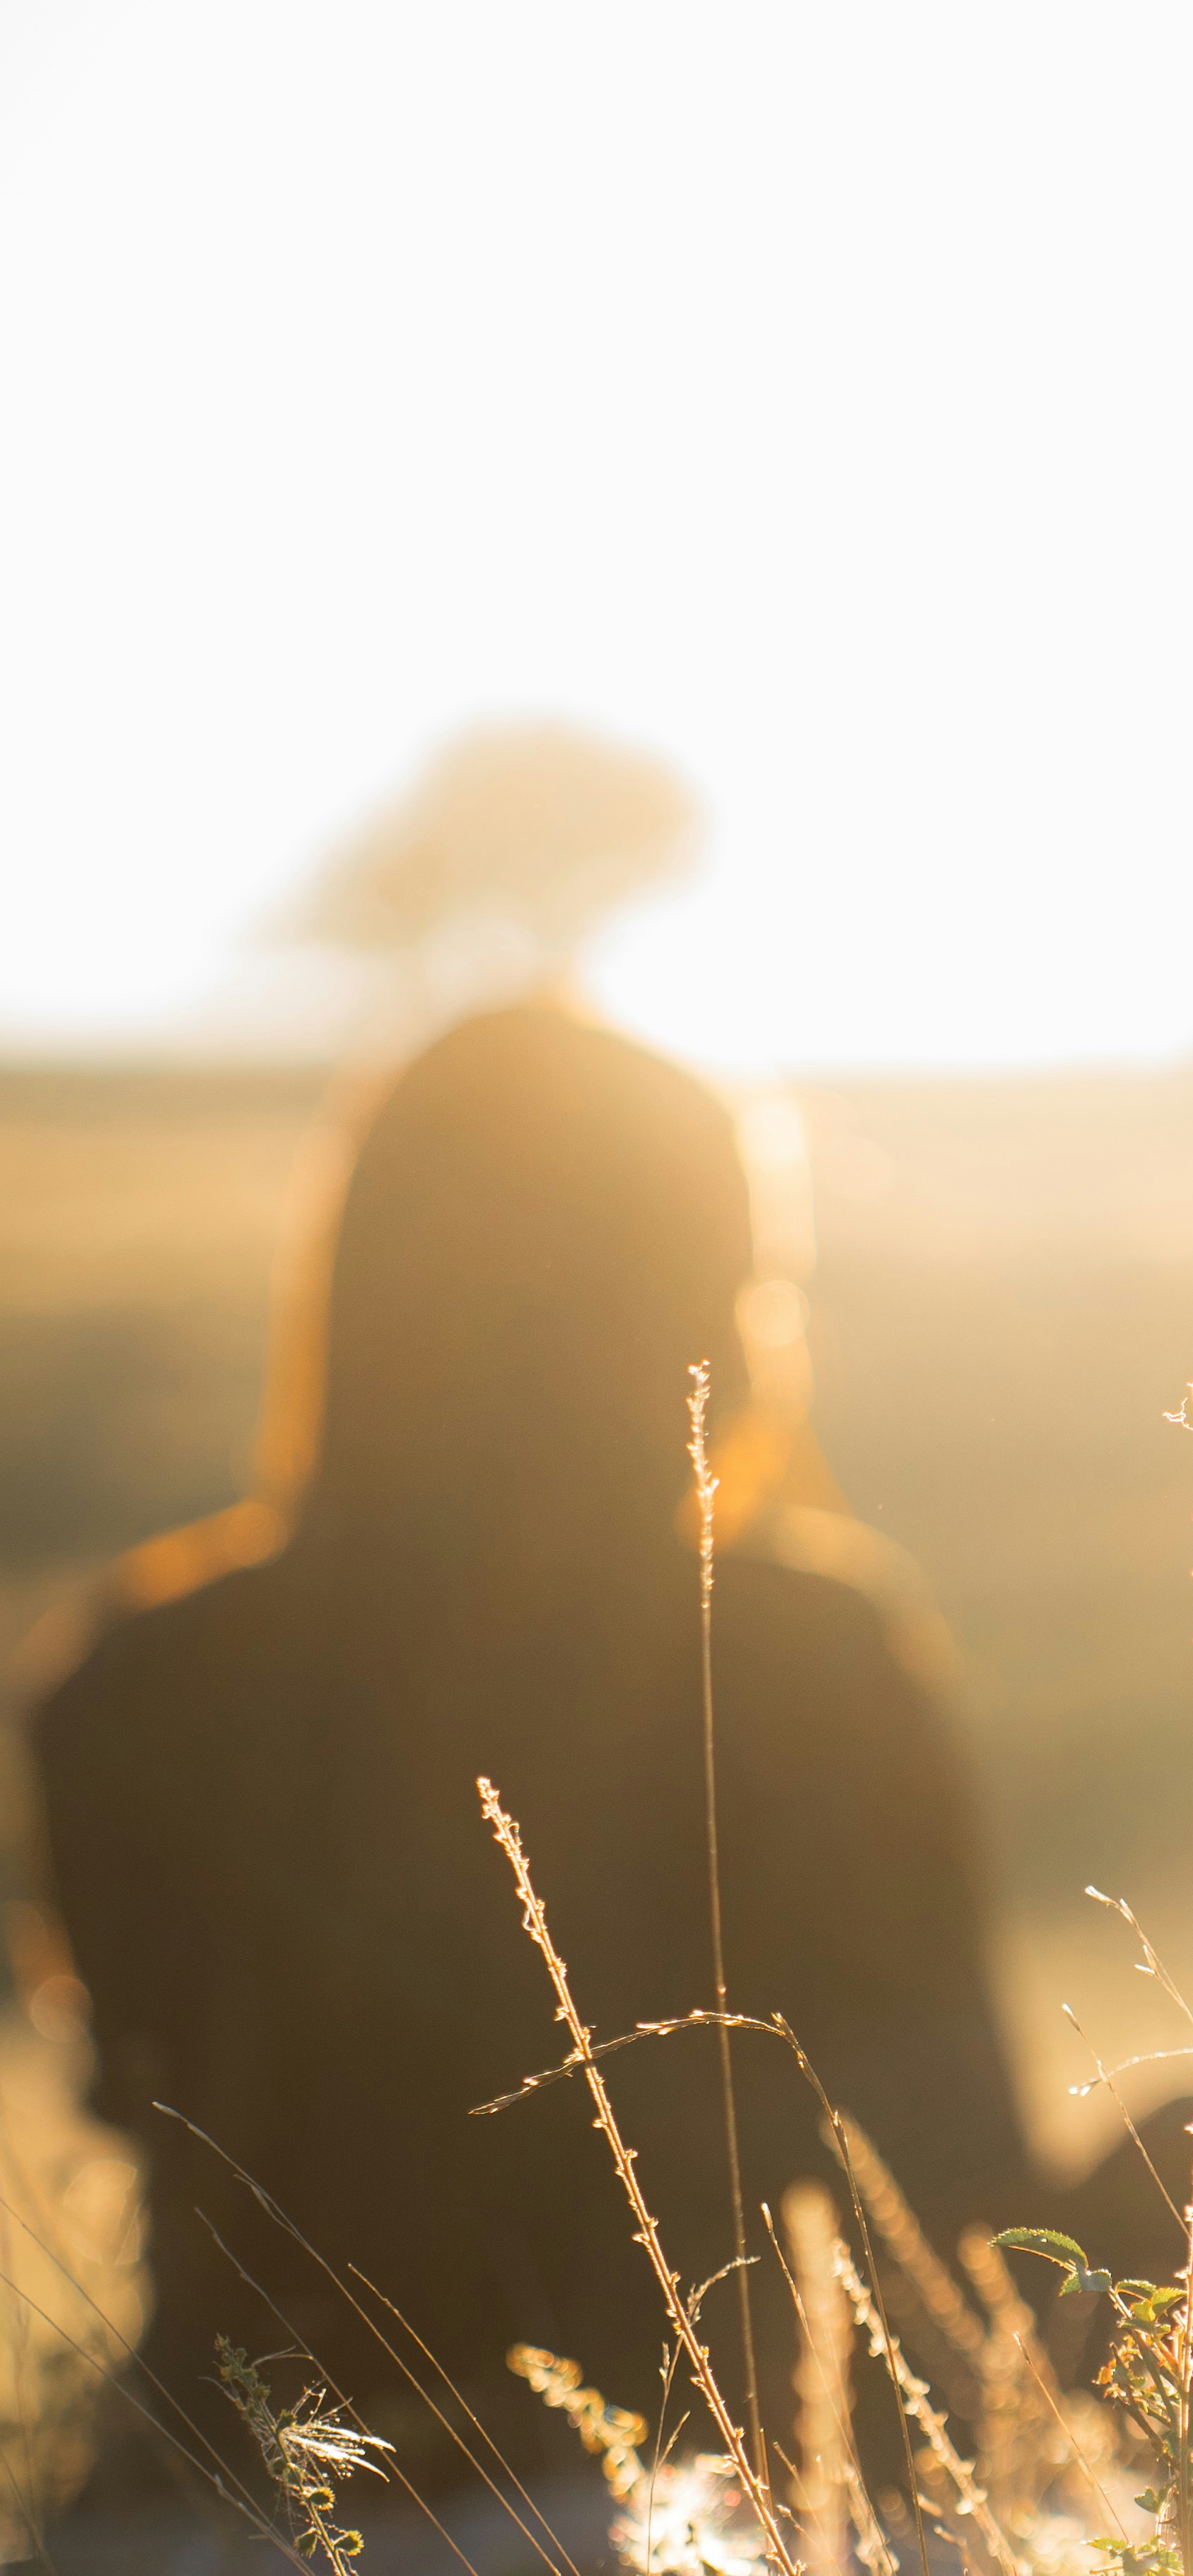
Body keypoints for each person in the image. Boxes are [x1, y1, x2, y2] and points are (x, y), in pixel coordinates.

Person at [29, 1002, 1036, 2498]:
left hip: (250, 2506)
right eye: (747, 1281)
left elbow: (138, 2102)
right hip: (751, 2502)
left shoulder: (138, 1670)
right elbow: (958, 2179)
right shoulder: (815, 1662)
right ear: (689, 1311)